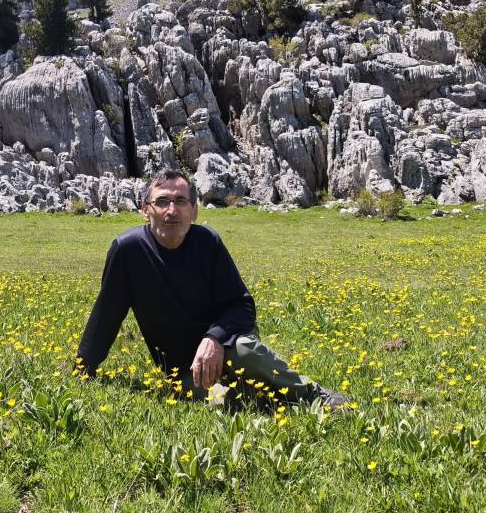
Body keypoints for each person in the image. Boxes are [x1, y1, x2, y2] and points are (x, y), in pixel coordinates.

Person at [76, 168, 350, 410]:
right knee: (222, 400)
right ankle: (256, 394)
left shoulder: (208, 243)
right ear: (145, 210)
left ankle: (314, 395)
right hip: (184, 368)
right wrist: (82, 368)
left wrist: (214, 338)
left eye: (180, 201)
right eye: (161, 202)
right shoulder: (128, 250)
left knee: (246, 351)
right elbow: (107, 314)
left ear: (194, 211)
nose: (171, 210)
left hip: (229, 343)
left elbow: (242, 306)